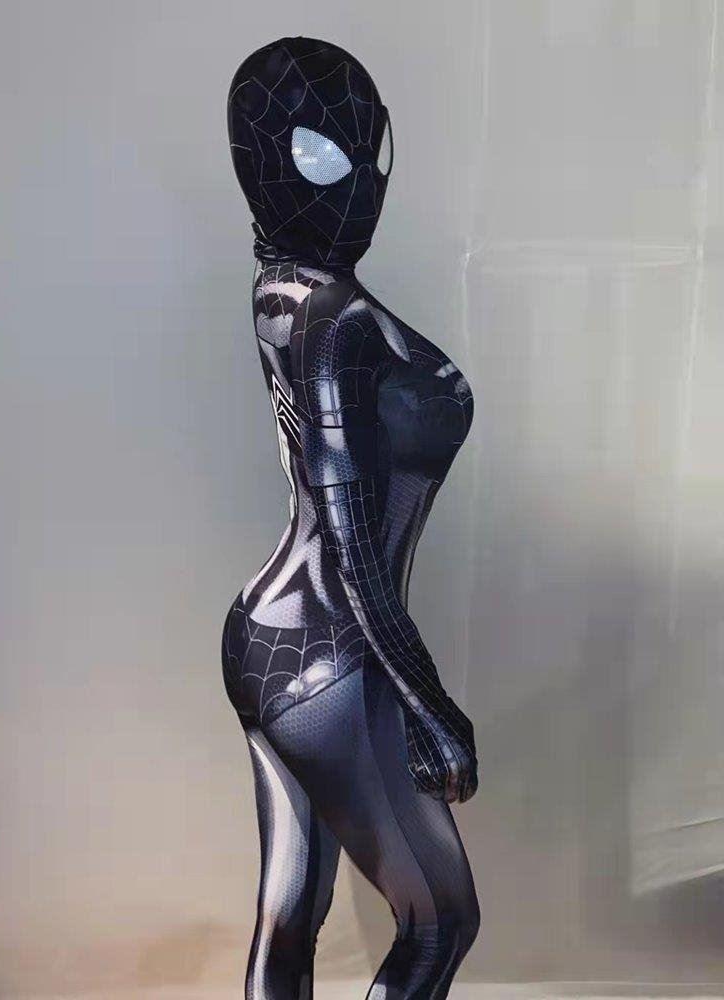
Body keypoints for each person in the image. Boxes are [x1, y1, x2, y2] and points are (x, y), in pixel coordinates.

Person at [221, 36, 480, 1000]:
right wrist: (430, 704)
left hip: (264, 634)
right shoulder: (333, 319)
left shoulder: (282, 286)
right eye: (328, 156)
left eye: (376, 152)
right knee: (440, 922)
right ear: (264, 165)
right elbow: (355, 543)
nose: (366, 184)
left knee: (289, 912)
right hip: (333, 650)